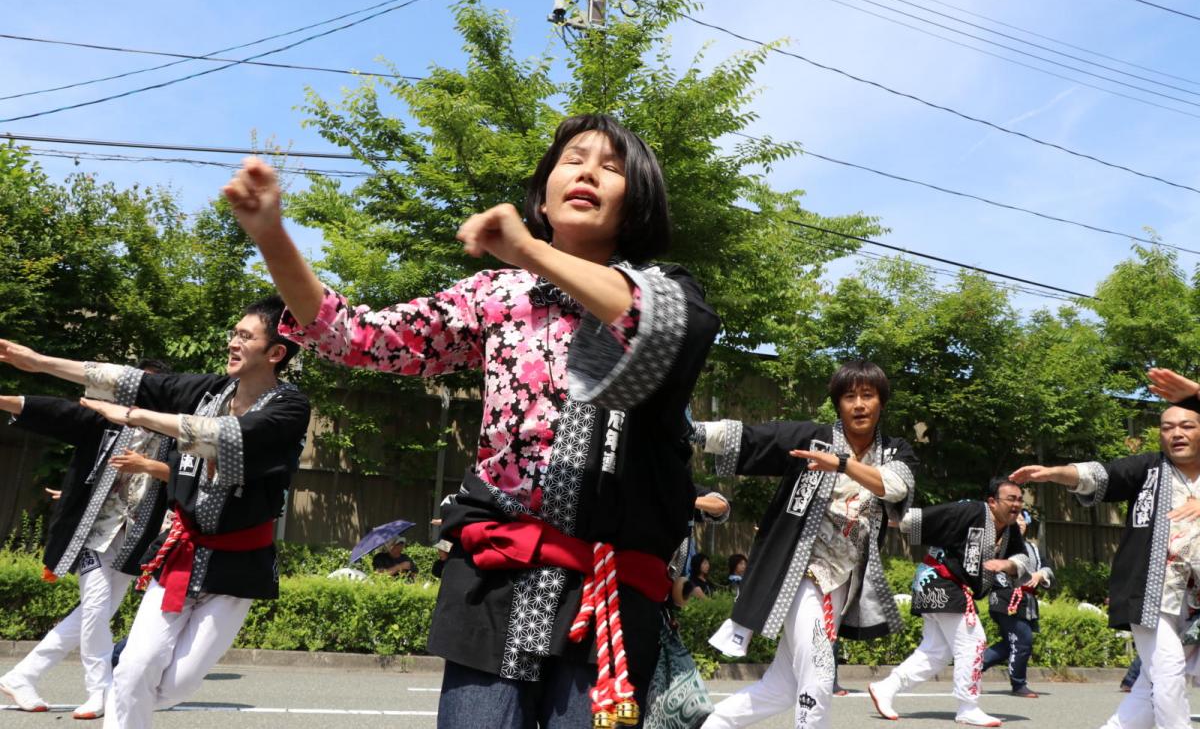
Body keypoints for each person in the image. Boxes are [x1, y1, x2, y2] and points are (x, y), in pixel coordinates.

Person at [221, 113, 721, 728]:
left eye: (611, 167)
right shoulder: (494, 294)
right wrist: (272, 235)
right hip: (494, 577)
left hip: (608, 594)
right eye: (573, 158)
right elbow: (359, 337)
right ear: (542, 192)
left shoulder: (665, 290)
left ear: (636, 203)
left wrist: (532, 252)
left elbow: (667, 327)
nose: (589, 170)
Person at [0, 296, 310, 729]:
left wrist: (133, 415)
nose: (232, 342)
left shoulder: (290, 408)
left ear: (276, 352)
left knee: (175, 686)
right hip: (177, 553)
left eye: (245, 336)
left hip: (235, 568)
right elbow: (128, 379)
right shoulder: (210, 390)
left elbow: (223, 438)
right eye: (233, 332)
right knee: (131, 671)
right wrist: (39, 361)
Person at [692, 360, 918, 729]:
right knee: (819, 663)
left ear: (881, 402)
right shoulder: (810, 440)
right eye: (849, 396)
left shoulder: (895, 451)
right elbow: (751, 437)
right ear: (837, 404)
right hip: (800, 572)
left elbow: (895, 487)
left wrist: (841, 464)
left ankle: (710, 726)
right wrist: (688, 430)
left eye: (868, 395)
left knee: (781, 688)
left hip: (844, 580)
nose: (859, 404)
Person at [1010, 366, 1200, 729]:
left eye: (1187, 425)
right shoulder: (1148, 469)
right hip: (1151, 593)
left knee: (1150, 686)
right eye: (1167, 427)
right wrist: (1054, 473)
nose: (1176, 433)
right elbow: (1098, 475)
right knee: (1169, 671)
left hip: (1194, 602)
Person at [0, 361, 173, 719]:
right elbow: (57, 412)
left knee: (94, 614)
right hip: (93, 533)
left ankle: (21, 675)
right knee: (95, 607)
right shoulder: (105, 423)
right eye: (140, 390)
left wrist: (147, 466)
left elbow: (184, 477)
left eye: (153, 391)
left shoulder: (172, 436)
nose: (145, 397)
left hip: (135, 537)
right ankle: (101, 691)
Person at [869, 477, 1032, 727]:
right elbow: (928, 518)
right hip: (939, 580)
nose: (1017, 504)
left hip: (948, 586)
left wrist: (1007, 564)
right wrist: (883, 518)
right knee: (974, 640)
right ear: (992, 501)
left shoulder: (1010, 531)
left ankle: (886, 687)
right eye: (1011, 499)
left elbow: (1021, 558)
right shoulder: (970, 511)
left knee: (936, 652)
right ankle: (968, 706)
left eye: (1020, 500)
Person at [980, 509, 1053, 698]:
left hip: (1026, 602)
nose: (1019, 522)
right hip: (1005, 598)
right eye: (1016, 518)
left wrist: (1040, 574)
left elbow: (1047, 567)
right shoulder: (998, 543)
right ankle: (1019, 684)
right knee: (1023, 640)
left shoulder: (1033, 548)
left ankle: (973, 668)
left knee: (1008, 645)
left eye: (1023, 519)